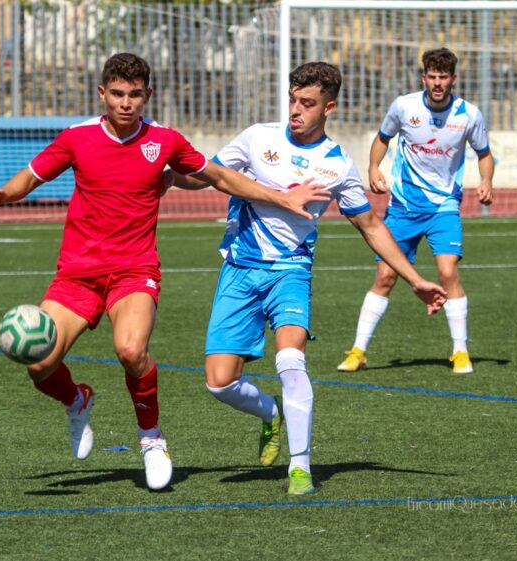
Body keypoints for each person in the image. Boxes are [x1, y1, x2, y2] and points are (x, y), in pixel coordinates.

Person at [0, 53, 330, 491]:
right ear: (102, 94)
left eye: (135, 94)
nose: (126, 103)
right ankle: (77, 399)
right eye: (117, 94)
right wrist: (2, 195)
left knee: (131, 350)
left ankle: (152, 438)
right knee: (39, 364)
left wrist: (281, 197)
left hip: (133, 272)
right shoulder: (76, 138)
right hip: (77, 275)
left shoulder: (164, 141)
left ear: (147, 95)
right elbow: (31, 178)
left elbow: (220, 177)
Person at [168, 62, 447, 495]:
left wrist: (414, 279)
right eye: (293, 100)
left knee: (290, 360)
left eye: (307, 103)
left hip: (291, 273)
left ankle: (300, 467)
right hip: (239, 270)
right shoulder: (258, 137)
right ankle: (271, 413)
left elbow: (371, 226)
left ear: (328, 108)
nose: (295, 110)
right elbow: (204, 177)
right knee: (219, 382)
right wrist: (160, 174)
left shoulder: (337, 165)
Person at [337, 48, 494, 375]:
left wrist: (486, 181)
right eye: (432, 76)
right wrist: (373, 168)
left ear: (453, 79)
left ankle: (460, 352)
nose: (437, 83)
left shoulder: (469, 114)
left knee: (448, 273)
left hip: (443, 208)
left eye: (443, 77)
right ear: (424, 77)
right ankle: (358, 351)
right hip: (403, 207)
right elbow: (382, 138)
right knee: (385, 276)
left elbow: (484, 153)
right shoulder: (404, 106)